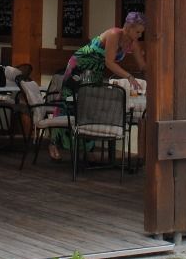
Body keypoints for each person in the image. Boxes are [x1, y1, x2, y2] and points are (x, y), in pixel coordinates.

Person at [50, 12, 148, 160]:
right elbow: (109, 62)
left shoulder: (133, 43)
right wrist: (129, 76)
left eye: (141, 32)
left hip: (96, 70)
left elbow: (143, 66)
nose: (139, 35)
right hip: (80, 65)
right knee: (67, 102)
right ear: (128, 27)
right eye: (138, 31)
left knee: (90, 106)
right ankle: (53, 143)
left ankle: (85, 149)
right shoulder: (114, 34)